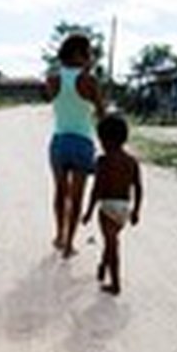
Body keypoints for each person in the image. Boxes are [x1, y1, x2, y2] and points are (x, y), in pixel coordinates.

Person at [45, 33, 105, 258]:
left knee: (60, 192)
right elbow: (100, 113)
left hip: (59, 141)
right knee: (77, 197)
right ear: (79, 53)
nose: (91, 56)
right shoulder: (89, 81)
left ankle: (59, 235)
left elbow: (56, 101)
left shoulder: (52, 78)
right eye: (88, 52)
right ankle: (69, 244)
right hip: (82, 142)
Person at [82, 114, 142, 295]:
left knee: (112, 244)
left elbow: (96, 189)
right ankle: (102, 266)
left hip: (107, 207)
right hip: (124, 208)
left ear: (103, 139)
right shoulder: (132, 161)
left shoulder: (103, 161)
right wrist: (136, 211)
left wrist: (89, 212)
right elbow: (138, 187)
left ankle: (115, 284)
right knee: (112, 241)